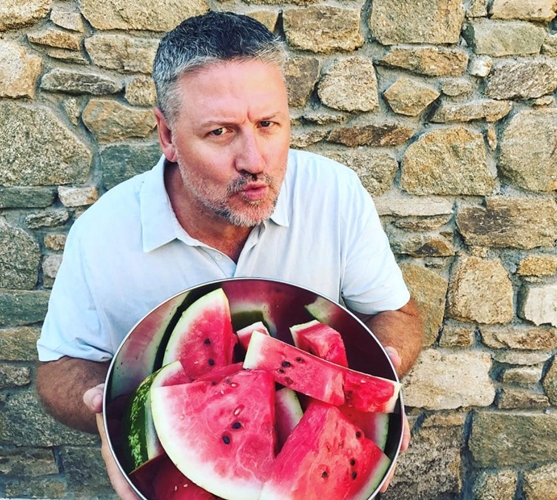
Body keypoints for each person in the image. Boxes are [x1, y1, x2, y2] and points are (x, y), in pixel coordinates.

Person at [36, 11, 422, 499]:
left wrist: (362, 386)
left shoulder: (335, 194)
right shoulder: (102, 232)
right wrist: (107, 408)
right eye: (220, 132)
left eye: (268, 124)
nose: (255, 161)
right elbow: (58, 368)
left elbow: (396, 314)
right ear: (167, 136)